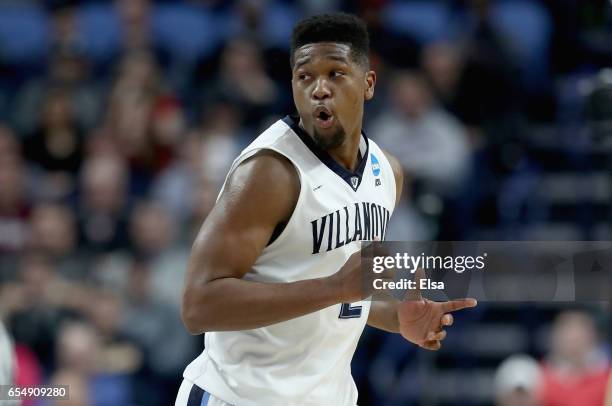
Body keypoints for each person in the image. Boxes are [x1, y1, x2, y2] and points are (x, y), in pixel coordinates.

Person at [177, 13, 477, 406]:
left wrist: (395, 318)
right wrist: (334, 287)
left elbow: (344, 289)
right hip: (239, 397)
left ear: (368, 83)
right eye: (305, 77)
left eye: (336, 73)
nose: (319, 89)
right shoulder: (269, 173)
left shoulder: (387, 173)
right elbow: (198, 306)